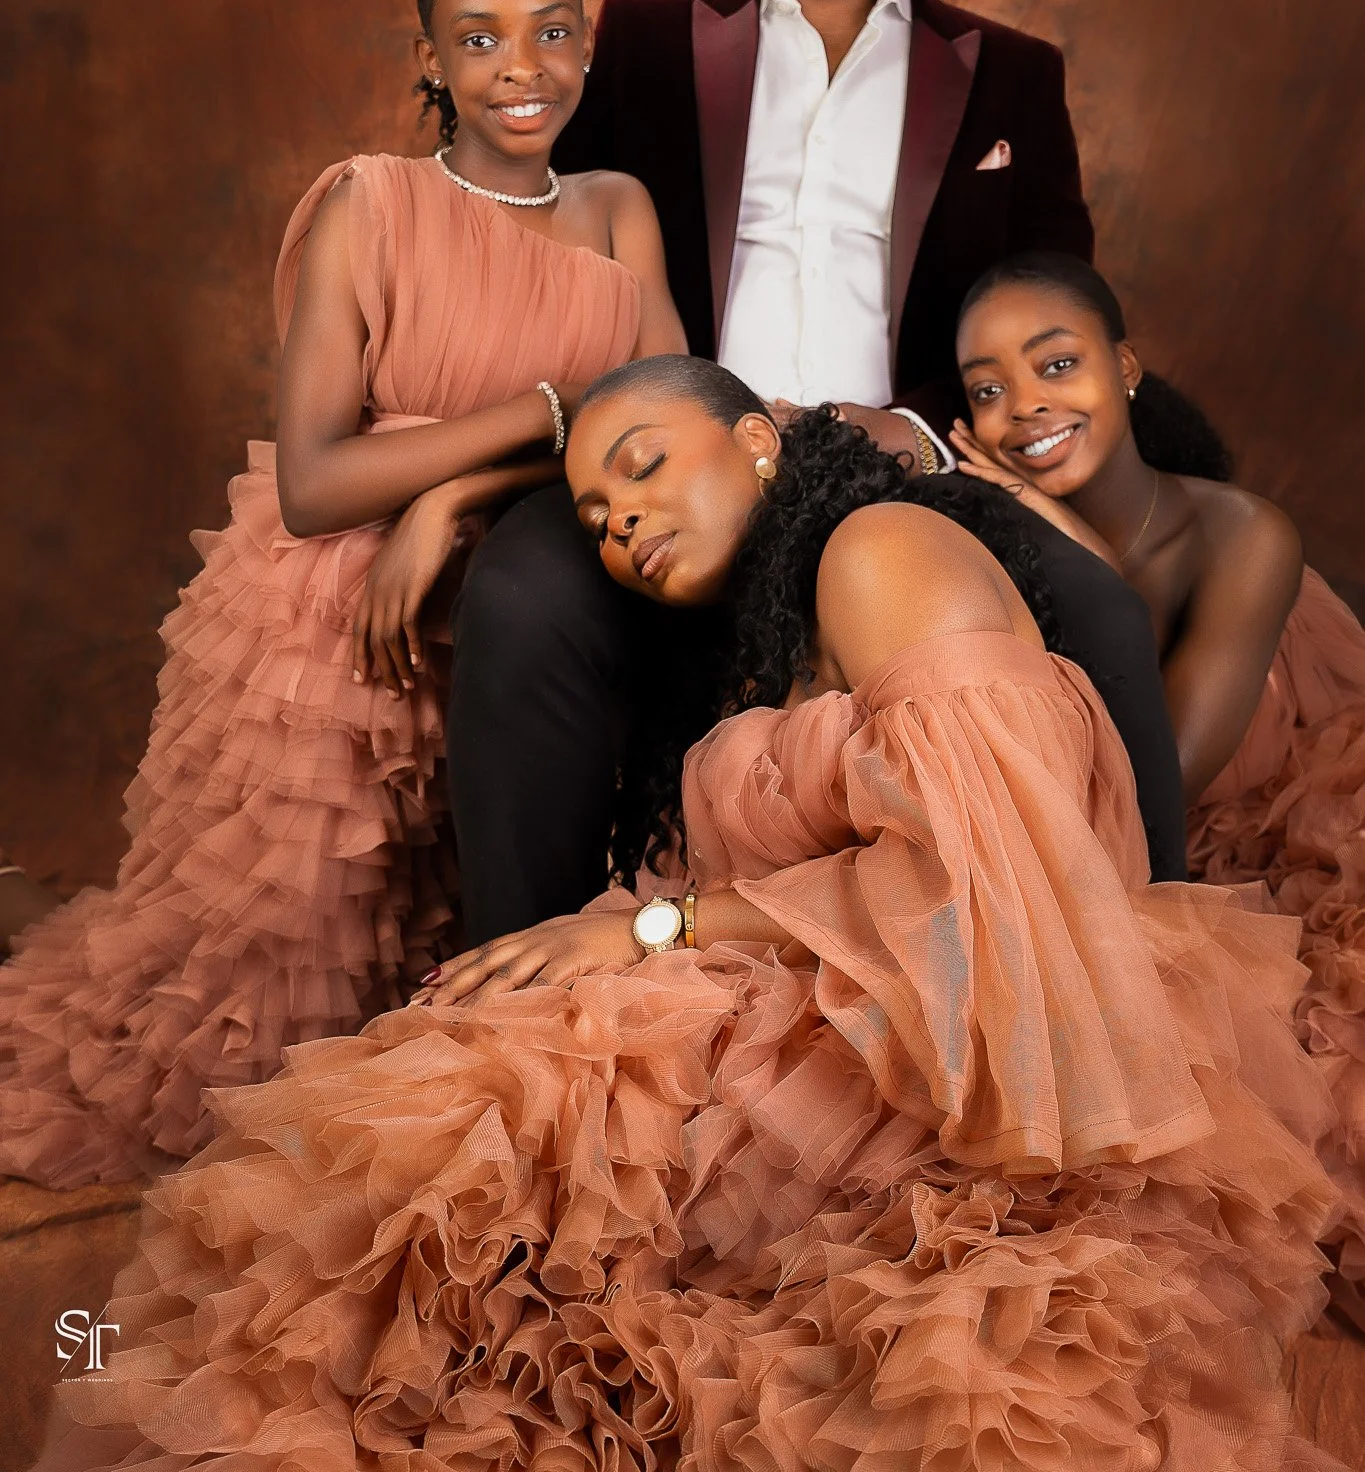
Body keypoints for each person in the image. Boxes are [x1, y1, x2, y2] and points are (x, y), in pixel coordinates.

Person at [39, 356, 1340, 1472]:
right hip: (832, 992)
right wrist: (602, 938)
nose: (622, 523)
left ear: (763, 437)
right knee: (436, 1153)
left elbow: (969, 885)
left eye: (647, 466)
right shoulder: (787, 617)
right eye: (600, 512)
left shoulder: (879, 549)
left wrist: (648, 936)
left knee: (459, 1164)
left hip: (944, 1036)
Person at [447, 0, 1186, 939]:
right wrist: (447, 483)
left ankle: (1147, 968)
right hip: (673, 445)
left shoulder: (1010, 74)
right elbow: (519, 227)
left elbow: (1055, 297)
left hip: (904, 460)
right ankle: (510, 973)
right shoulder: (641, 39)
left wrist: (927, 431)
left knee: (1101, 616)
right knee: (522, 591)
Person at [0, 0, 682, 1190]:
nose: (519, 68)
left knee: (456, 965)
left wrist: (460, 498)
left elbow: (668, 423)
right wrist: (536, 418)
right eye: (479, 39)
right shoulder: (375, 201)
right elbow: (314, 481)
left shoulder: (618, 212)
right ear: (429, 56)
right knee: (265, 1038)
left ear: (586, 43)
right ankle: (20, 918)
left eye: (549, 32)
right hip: (345, 621)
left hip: (501, 573)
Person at [949, 248, 1365, 1302]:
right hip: (1121, 831)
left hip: (1261, 796)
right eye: (987, 391)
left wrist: (1063, 542)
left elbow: (1160, 781)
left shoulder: (1242, 532)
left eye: (1056, 365)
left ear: (1125, 365)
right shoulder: (982, 534)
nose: (1024, 408)